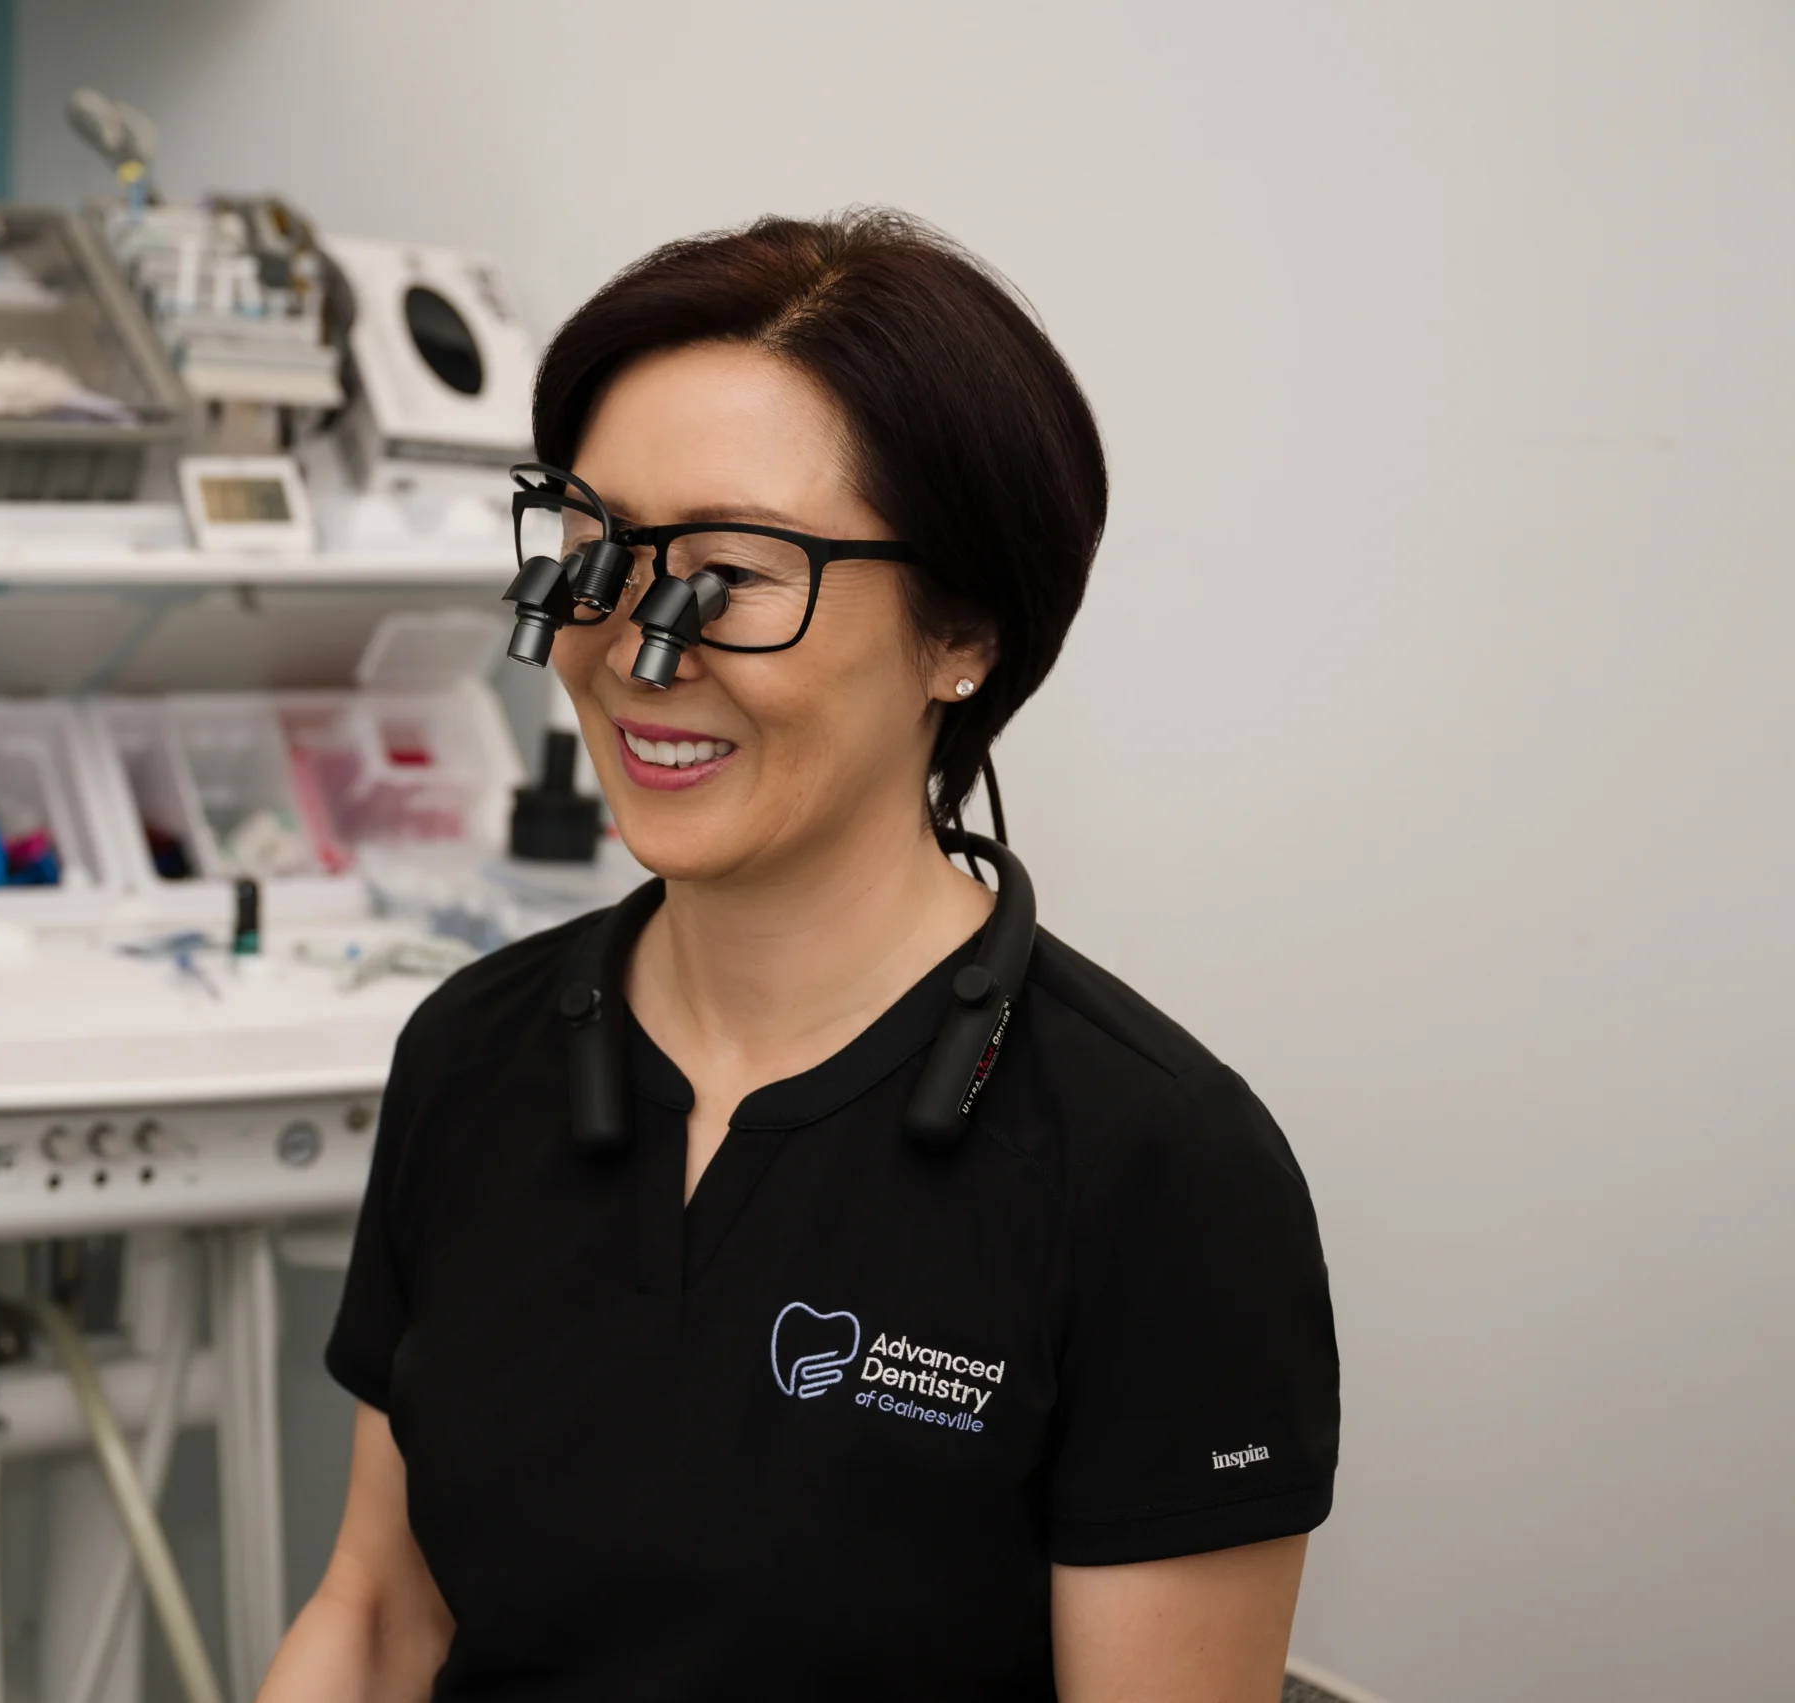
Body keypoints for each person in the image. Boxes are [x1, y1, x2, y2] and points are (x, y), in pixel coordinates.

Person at [259, 210, 1339, 1703]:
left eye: (733, 575)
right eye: (598, 551)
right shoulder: (474, 1053)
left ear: (962, 631)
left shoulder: (1156, 1166)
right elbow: (378, 1618)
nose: (637, 647)